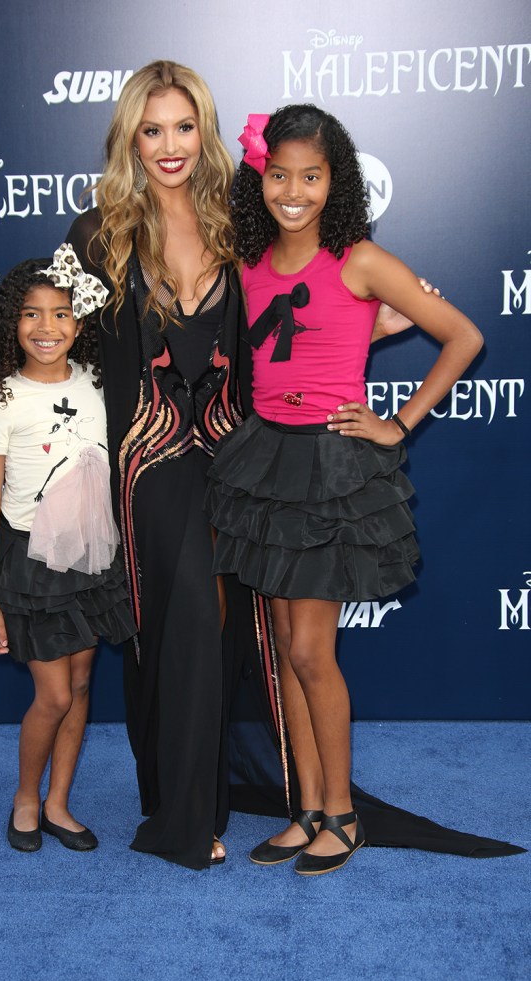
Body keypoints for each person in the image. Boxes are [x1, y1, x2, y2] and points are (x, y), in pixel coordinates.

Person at [0, 62, 520, 870]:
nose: (169, 145)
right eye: (152, 130)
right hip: (148, 453)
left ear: (207, 133)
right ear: (129, 139)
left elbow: (300, 313)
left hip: (240, 450)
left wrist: (379, 334)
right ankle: (186, 818)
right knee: (187, 609)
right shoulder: (98, 233)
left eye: (184, 127)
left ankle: (299, 798)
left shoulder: (235, 218)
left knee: (243, 634)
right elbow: (42, 339)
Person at [206, 103, 489, 874]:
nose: (293, 190)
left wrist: (400, 421)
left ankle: (344, 813)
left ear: (337, 182)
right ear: (257, 178)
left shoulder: (361, 258)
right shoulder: (247, 260)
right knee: (289, 655)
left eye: (312, 176)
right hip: (266, 463)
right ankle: (305, 807)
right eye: (278, 175)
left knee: (309, 649)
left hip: (332, 469)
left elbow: (464, 334)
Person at [0, 247, 136, 853]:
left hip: (90, 555)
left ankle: (58, 803)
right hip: (29, 563)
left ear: (79, 324)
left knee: (80, 688)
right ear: (12, 324)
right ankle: (26, 797)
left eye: (60, 314)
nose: (46, 328)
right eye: (31, 315)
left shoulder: (100, 383)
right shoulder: (1, 400)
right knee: (52, 695)